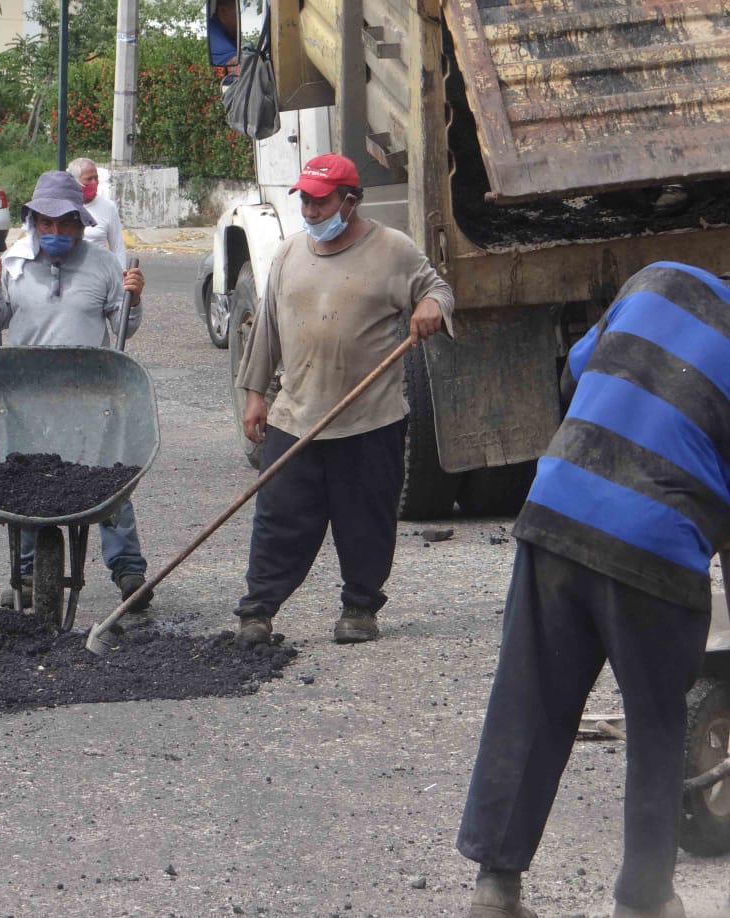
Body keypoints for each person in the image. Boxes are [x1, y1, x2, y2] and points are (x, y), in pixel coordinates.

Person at [457, 261, 730, 918]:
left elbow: (575, 373)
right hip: (656, 546)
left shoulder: (656, 278)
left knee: (531, 699)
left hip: (556, 512)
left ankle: (496, 890)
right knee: (658, 725)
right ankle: (643, 901)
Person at [232, 153, 453, 648]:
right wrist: (253, 396)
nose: (310, 210)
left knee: (366, 520)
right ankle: (257, 611)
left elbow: (437, 288)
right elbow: (265, 330)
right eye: (305, 200)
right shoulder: (290, 253)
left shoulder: (393, 251)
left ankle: (359, 608)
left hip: (369, 419)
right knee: (278, 518)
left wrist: (431, 305)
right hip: (297, 415)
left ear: (350, 201)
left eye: (320, 200)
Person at [0, 170, 152, 611]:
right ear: (34, 222)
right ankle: (27, 572)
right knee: (28, 484)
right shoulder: (13, 264)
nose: (56, 232)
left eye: (65, 224)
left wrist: (135, 297)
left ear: (80, 223)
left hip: (90, 393)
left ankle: (129, 571)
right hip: (27, 395)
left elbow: (122, 326)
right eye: (47, 224)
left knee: (110, 481)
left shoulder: (104, 265)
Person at [67, 157, 126, 266]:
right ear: (75, 181)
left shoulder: (109, 207)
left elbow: (118, 249)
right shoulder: (65, 206)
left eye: (96, 178)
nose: (94, 183)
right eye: (89, 179)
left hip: (100, 274)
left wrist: (121, 278)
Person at [209, 0, 240, 68]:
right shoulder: (215, 38)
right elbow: (237, 66)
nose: (242, 19)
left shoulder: (215, 27)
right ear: (223, 11)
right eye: (239, 12)